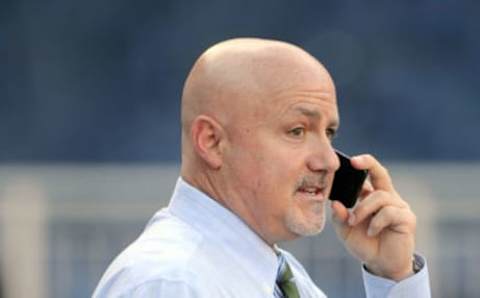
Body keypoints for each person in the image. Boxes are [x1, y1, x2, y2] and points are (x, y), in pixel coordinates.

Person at [93, 38, 431, 297]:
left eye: (328, 133)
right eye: (297, 131)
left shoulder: (281, 277)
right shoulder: (172, 282)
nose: (329, 160)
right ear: (211, 142)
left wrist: (394, 277)